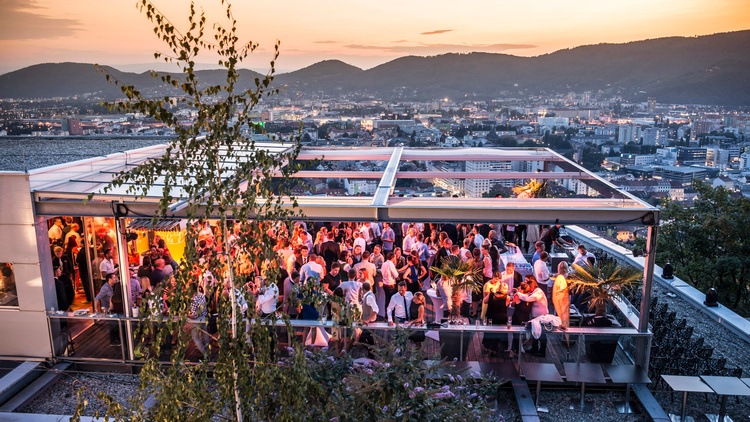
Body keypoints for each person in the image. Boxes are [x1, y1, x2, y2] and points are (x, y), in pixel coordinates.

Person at [515, 275, 548, 357]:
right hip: (535, 317)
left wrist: (518, 293)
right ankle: (534, 348)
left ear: (532, 287)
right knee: (534, 332)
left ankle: (542, 351)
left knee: (542, 333)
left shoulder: (538, 293)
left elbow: (528, 299)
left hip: (541, 316)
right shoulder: (534, 291)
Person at [94, 272, 123, 346]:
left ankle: (117, 339)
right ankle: (113, 341)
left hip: (114, 307)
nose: (116, 279)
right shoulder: (105, 288)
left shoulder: (113, 286)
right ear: (109, 279)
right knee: (113, 325)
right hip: (109, 309)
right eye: (114, 278)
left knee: (116, 325)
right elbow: (96, 298)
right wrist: (96, 310)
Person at [482, 278, 509, 355]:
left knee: (490, 332)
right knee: (501, 333)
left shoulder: (491, 295)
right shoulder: (507, 297)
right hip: (501, 318)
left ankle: (490, 347)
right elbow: (507, 305)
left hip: (491, 316)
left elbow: (485, 301)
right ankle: (500, 348)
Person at [187, 282, 209, 355]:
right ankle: (208, 350)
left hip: (197, 320)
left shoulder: (193, 299)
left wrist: (186, 315)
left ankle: (204, 353)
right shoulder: (202, 295)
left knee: (195, 337)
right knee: (205, 334)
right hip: (204, 317)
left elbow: (194, 315)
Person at [552, 261, 571, 328]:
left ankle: (557, 324)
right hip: (566, 296)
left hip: (558, 296)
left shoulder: (556, 276)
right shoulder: (569, 276)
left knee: (557, 310)